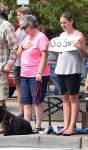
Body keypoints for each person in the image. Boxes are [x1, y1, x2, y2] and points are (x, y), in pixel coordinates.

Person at [54, 12, 87, 135]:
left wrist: (79, 47)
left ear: (71, 21)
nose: (62, 25)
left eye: (65, 22)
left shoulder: (78, 35)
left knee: (73, 97)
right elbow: (60, 52)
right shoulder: (62, 35)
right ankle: (65, 125)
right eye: (61, 22)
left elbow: (85, 55)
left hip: (73, 70)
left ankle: (72, 126)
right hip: (61, 69)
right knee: (65, 98)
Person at [16, 15, 50, 133]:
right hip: (25, 73)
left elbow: (44, 56)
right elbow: (18, 55)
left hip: (37, 74)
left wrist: (39, 72)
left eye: (24, 27)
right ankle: (26, 125)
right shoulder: (26, 38)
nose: (23, 30)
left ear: (31, 25)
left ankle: (38, 125)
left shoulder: (41, 37)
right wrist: (21, 47)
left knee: (37, 100)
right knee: (26, 100)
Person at [0, 3, 18, 133]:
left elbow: (15, 47)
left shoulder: (6, 25)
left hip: (1, 68)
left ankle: (2, 125)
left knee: (0, 99)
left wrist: (9, 64)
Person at [14, 6, 31, 118]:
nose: (17, 17)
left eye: (19, 14)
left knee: (27, 88)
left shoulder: (30, 29)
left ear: (25, 15)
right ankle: (21, 112)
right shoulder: (18, 29)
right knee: (18, 87)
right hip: (17, 62)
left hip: (27, 63)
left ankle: (28, 113)